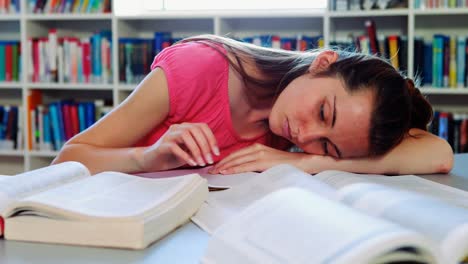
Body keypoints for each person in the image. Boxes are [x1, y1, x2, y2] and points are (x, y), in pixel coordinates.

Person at [52, 35, 453, 175]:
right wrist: (148, 159)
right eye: (323, 113)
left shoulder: (292, 144)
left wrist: (310, 163)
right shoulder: (198, 68)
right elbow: (68, 159)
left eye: (328, 145)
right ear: (323, 62)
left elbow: (439, 153)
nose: (305, 136)